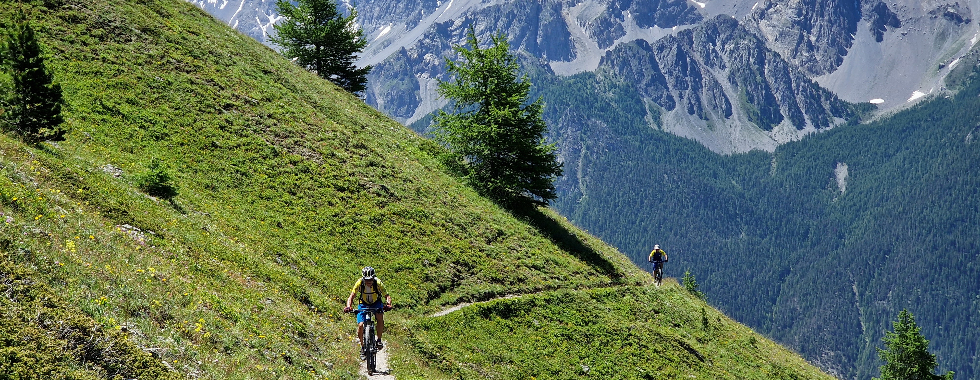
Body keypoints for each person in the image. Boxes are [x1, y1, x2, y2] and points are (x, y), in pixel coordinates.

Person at [344, 267, 393, 353]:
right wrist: (348, 306)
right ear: (363, 278)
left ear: (373, 278)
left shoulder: (378, 283)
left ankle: (379, 340)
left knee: (380, 318)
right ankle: (363, 347)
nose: (368, 281)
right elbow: (351, 296)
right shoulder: (359, 283)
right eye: (366, 280)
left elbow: (387, 296)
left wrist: (388, 304)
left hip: (376, 303)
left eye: (370, 279)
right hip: (363, 304)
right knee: (360, 325)